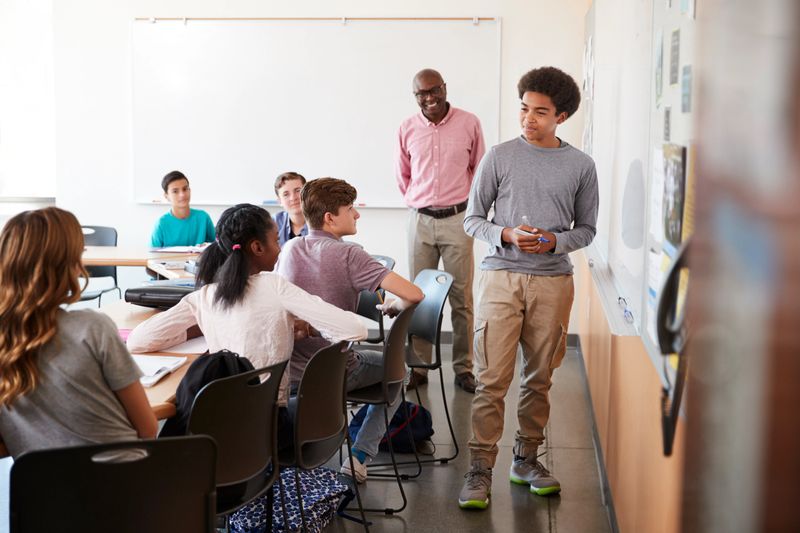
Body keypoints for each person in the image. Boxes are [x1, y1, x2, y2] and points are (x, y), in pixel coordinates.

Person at [457, 67, 599, 509]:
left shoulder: (581, 165)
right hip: (501, 276)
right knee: (491, 380)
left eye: (540, 112)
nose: (528, 119)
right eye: (524, 108)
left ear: (562, 115)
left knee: (539, 379)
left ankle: (526, 459)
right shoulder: (498, 156)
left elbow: (588, 229)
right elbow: (472, 219)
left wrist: (555, 240)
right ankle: (480, 468)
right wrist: (507, 235)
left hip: (554, 281)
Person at [129, 204, 367, 448]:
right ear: (257, 247)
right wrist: (311, 328)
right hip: (270, 430)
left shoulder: (205, 295)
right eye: (276, 240)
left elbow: (137, 340)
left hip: (220, 434)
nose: (280, 247)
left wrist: (203, 326)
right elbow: (355, 329)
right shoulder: (275, 286)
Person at [276, 177, 424, 482]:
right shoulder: (349, 254)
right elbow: (415, 294)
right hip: (334, 372)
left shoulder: (290, 248)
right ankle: (358, 456)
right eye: (350, 208)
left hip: (285, 373)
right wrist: (394, 306)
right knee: (402, 370)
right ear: (330, 218)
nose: (356, 214)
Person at [0, 207, 158, 458]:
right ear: (68, 264)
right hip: (126, 486)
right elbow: (148, 428)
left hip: (44, 493)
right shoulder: (93, 327)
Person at [395, 68, 485, 393]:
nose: (430, 98)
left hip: (457, 220)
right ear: (415, 96)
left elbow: (478, 168)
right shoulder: (407, 128)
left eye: (435, 90)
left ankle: (464, 369)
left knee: (462, 298)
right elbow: (402, 174)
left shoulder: (469, 123)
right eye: (422, 93)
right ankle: (418, 367)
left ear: (445, 88)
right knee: (418, 297)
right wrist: (419, 202)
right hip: (420, 221)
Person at [150, 170, 215, 248]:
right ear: (166, 196)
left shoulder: (203, 217)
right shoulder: (161, 224)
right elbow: (153, 256)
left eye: (185, 189)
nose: (182, 195)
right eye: (175, 191)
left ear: (190, 190)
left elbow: (215, 248)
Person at [273, 171, 309, 247]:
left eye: (298, 191)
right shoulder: (272, 223)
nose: (293, 198)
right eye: (286, 194)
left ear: (307, 193)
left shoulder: (322, 223)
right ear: (279, 201)